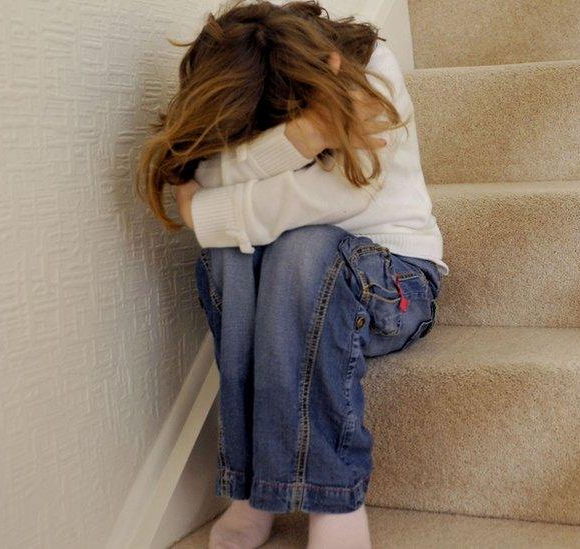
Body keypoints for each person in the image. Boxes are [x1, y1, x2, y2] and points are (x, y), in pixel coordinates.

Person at [135, 2, 448, 547]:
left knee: (304, 245)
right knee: (232, 256)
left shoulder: (368, 70)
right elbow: (200, 167)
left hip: (392, 286)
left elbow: (338, 196)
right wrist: (298, 140)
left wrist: (203, 212)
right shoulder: (242, 73)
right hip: (284, 296)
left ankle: (335, 505)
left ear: (325, 65)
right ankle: (249, 493)